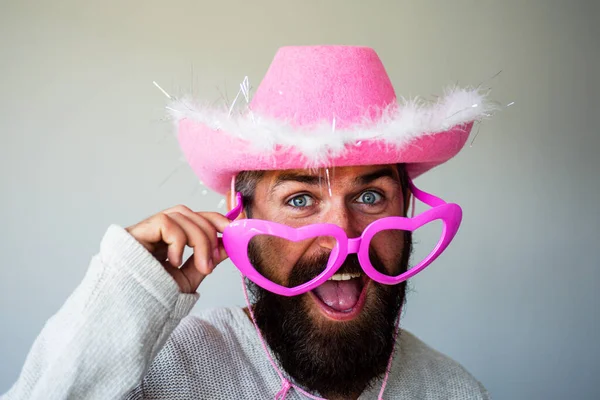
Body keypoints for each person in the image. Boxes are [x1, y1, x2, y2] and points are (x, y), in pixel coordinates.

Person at [3, 45, 494, 399]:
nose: (344, 236)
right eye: (300, 199)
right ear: (243, 216)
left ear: (407, 209)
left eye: (370, 196)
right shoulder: (164, 374)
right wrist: (127, 291)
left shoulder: (453, 390)